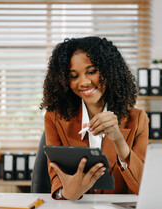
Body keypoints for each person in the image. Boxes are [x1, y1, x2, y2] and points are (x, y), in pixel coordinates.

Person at [40, 36, 149, 200]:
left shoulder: (137, 119)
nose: (83, 82)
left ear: (110, 71)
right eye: (73, 76)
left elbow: (144, 188)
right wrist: (66, 192)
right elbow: (57, 179)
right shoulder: (54, 118)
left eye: (91, 72)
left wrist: (119, 140)